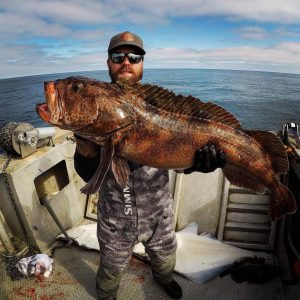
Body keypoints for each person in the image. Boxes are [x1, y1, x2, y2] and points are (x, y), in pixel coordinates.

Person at [74, 31, 226, 300]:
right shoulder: (95, 107)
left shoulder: (159, 107)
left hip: (159, 214)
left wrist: (197, 163)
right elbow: (87, 174)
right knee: (109, 272)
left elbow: (178, 158)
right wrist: (85, 145)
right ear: (108, 62)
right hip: (114, 220)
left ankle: (164, 279)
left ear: (142, 63)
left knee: (166, 258)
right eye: (118, 56)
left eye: (134, 56)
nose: (126, 62)